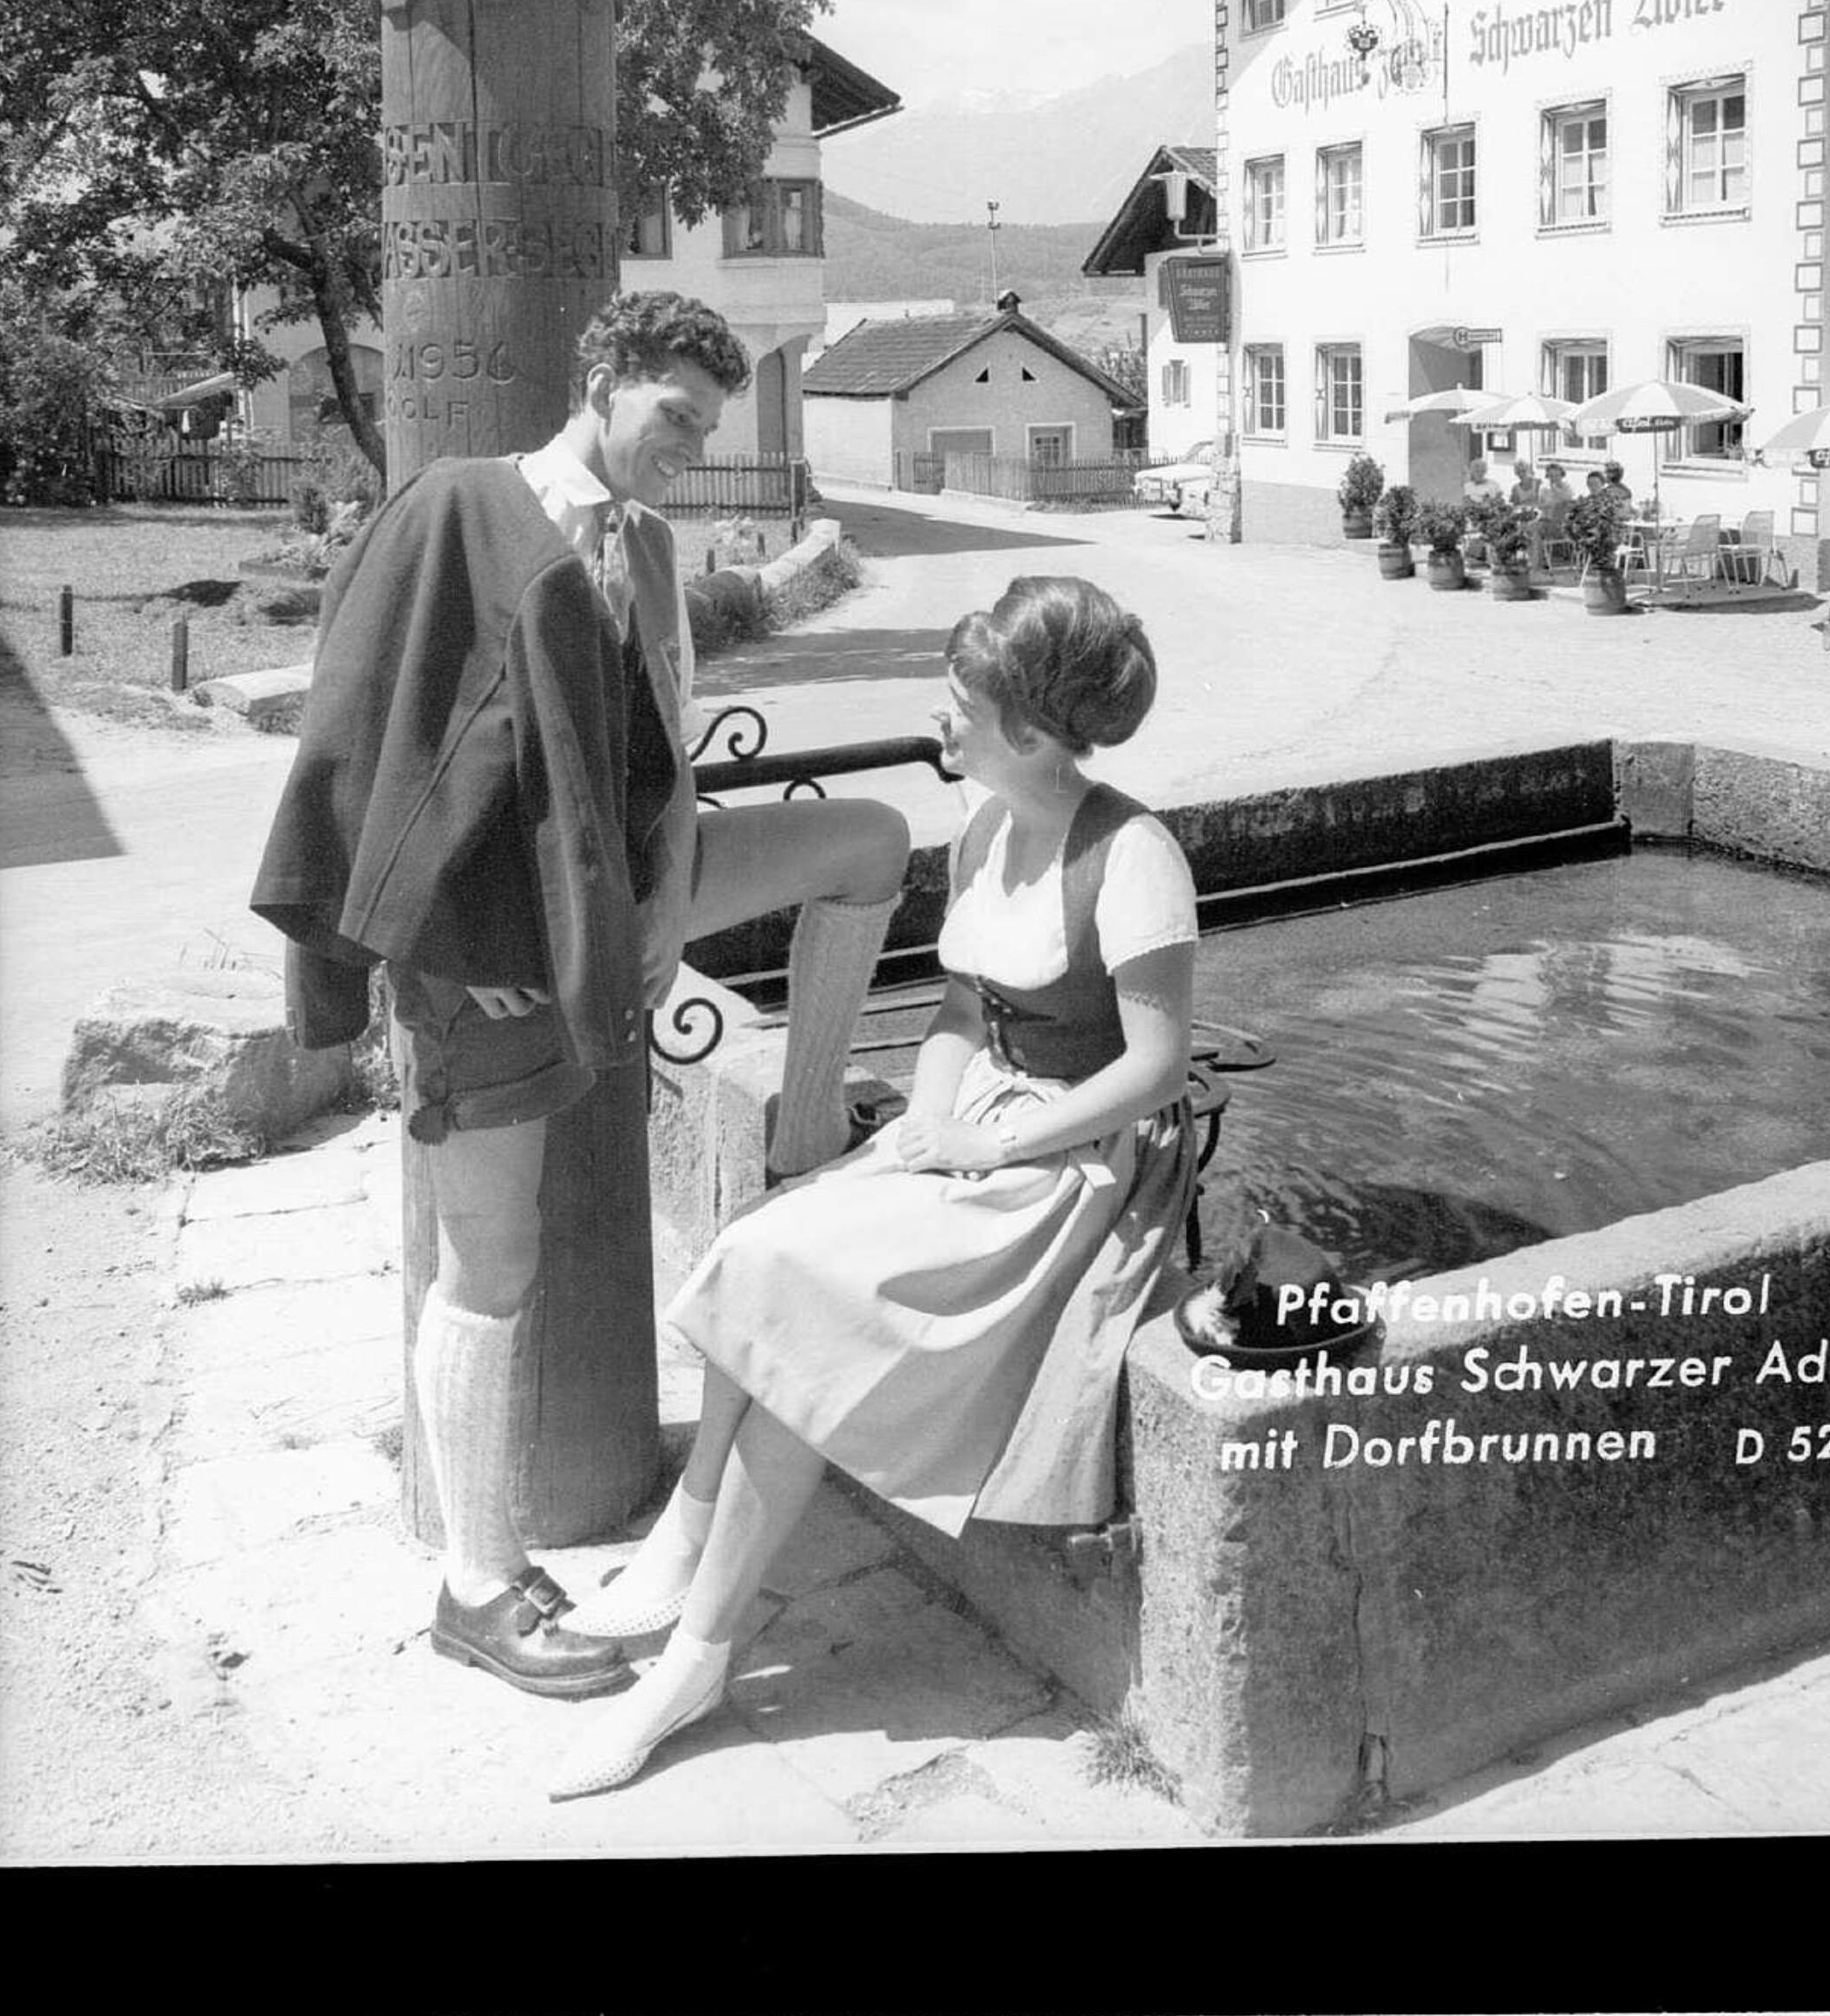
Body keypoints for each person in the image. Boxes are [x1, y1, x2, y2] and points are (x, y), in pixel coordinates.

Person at [250, 290, 910, 1700]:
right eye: (674, 416)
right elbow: (371, 747)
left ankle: (805, 1138)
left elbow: (662, 743)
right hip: (493, 949)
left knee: (872, 844)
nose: (689, 445)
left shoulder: (656, 548)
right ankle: (476, 1584)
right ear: (602, 379)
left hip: (621, 902)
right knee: (492, 1264)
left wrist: (667, 905)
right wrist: (435, 969)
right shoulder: (464, 511)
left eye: (709, 425)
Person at [550, 576, 1199, 1799]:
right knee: (763, 1238)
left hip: (1078, 1166)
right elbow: (960, 1011)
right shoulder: (987, 832)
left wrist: (997, 1148)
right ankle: (687, 1540)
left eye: (960, 702)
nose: (939, 721)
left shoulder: (1134, 856)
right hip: (984, 1129)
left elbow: (1157, 1069)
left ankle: (697, 1658)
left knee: (813, 1315)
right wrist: (936, 1110)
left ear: (1028, 730)